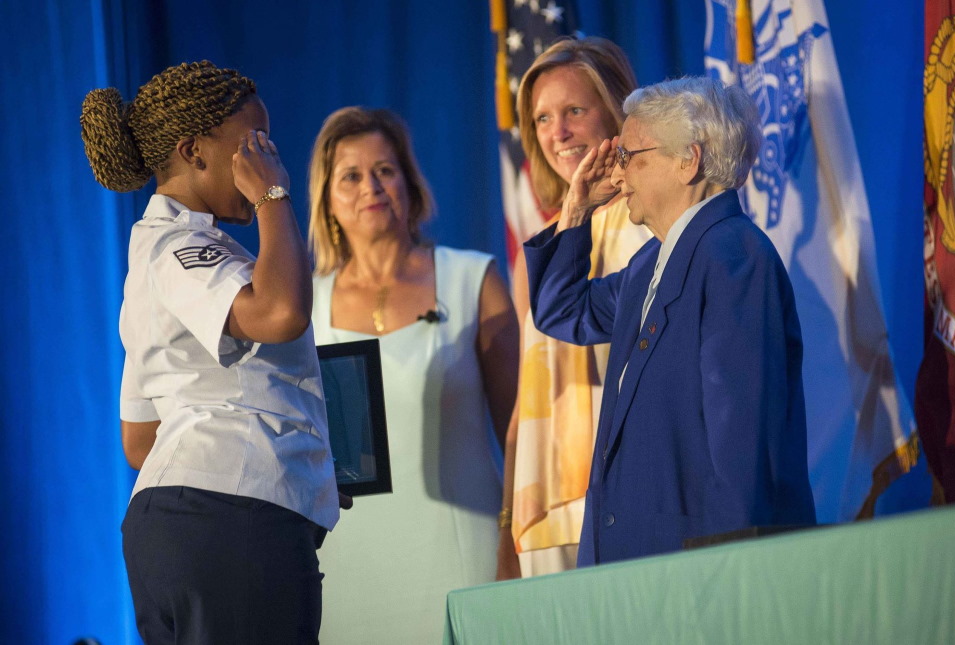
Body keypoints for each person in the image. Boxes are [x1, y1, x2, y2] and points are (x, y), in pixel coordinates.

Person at [81, 61, 340, 643]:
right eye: (253, 143)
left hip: (179, 524)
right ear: (194, 151)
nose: (267, 155)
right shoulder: (180, 247)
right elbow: (280, 313)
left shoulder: (152, 259)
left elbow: (139, 440)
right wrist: (273, 195)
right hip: (229, 520)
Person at [524, 76, 817, 566]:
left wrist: (729, 570)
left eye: (629, 156)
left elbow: (741, 444)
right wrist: (576, 209)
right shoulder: (649, 266)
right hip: (636, 565)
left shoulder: (733, 257)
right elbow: (562, 311)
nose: (616, 176)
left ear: (689, 161)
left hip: (698, 567)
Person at [306, 106, 519, 643]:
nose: (371, 186)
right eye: (350, 176)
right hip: (344, 574)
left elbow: (520, 433)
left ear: (408, 181)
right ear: (327, 200)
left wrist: (512, 543)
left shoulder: (474, 279)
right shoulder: (301, 309)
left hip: (464, 560)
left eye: (385, 169)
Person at [503, 37, 652, 578]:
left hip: (629, 496)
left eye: (573, 111)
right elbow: (526, 398)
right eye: (542, 118)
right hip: (550, 510)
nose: (556, 133)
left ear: (615, 110)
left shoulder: (651, 223)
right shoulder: (543, 249)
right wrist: (506, 517)